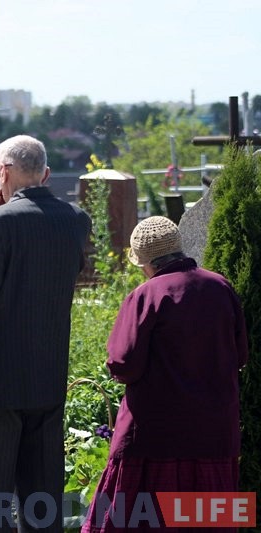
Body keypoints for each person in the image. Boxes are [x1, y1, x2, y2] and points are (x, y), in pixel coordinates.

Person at [0, 135, 92, 532]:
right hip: (47, 378)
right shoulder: (76, 220)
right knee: (43, 506)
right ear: (45, 174)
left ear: (4, 172)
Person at [82, 216, 248, 532]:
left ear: (145, 262)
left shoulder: (146, 295)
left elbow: (123, 364)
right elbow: (240, 355)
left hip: (155, 437)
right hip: (214, 435)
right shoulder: (220, 287)